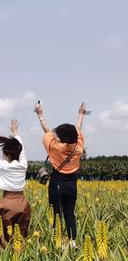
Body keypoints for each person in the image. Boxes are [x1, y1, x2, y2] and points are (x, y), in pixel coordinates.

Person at [34, 101, 87, 246]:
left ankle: (59, 243)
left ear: (59, 138)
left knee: (57, 214)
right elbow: (78, 129)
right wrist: (81, 114)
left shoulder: (54, 147)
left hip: (57, 183)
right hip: (72, 185)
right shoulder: (78, 147)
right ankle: (72, 243)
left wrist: (40, 115)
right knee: (69, 214)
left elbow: (47, 132)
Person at [0, 120, 30, 244]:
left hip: (7, 204)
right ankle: (21, 255)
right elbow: (22, 149)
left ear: (6, 154)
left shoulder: (4, 166)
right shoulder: (23, 164)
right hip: (23, 204)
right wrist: (15, 132)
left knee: (4, 235)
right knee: (21, 234)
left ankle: (4, 258)